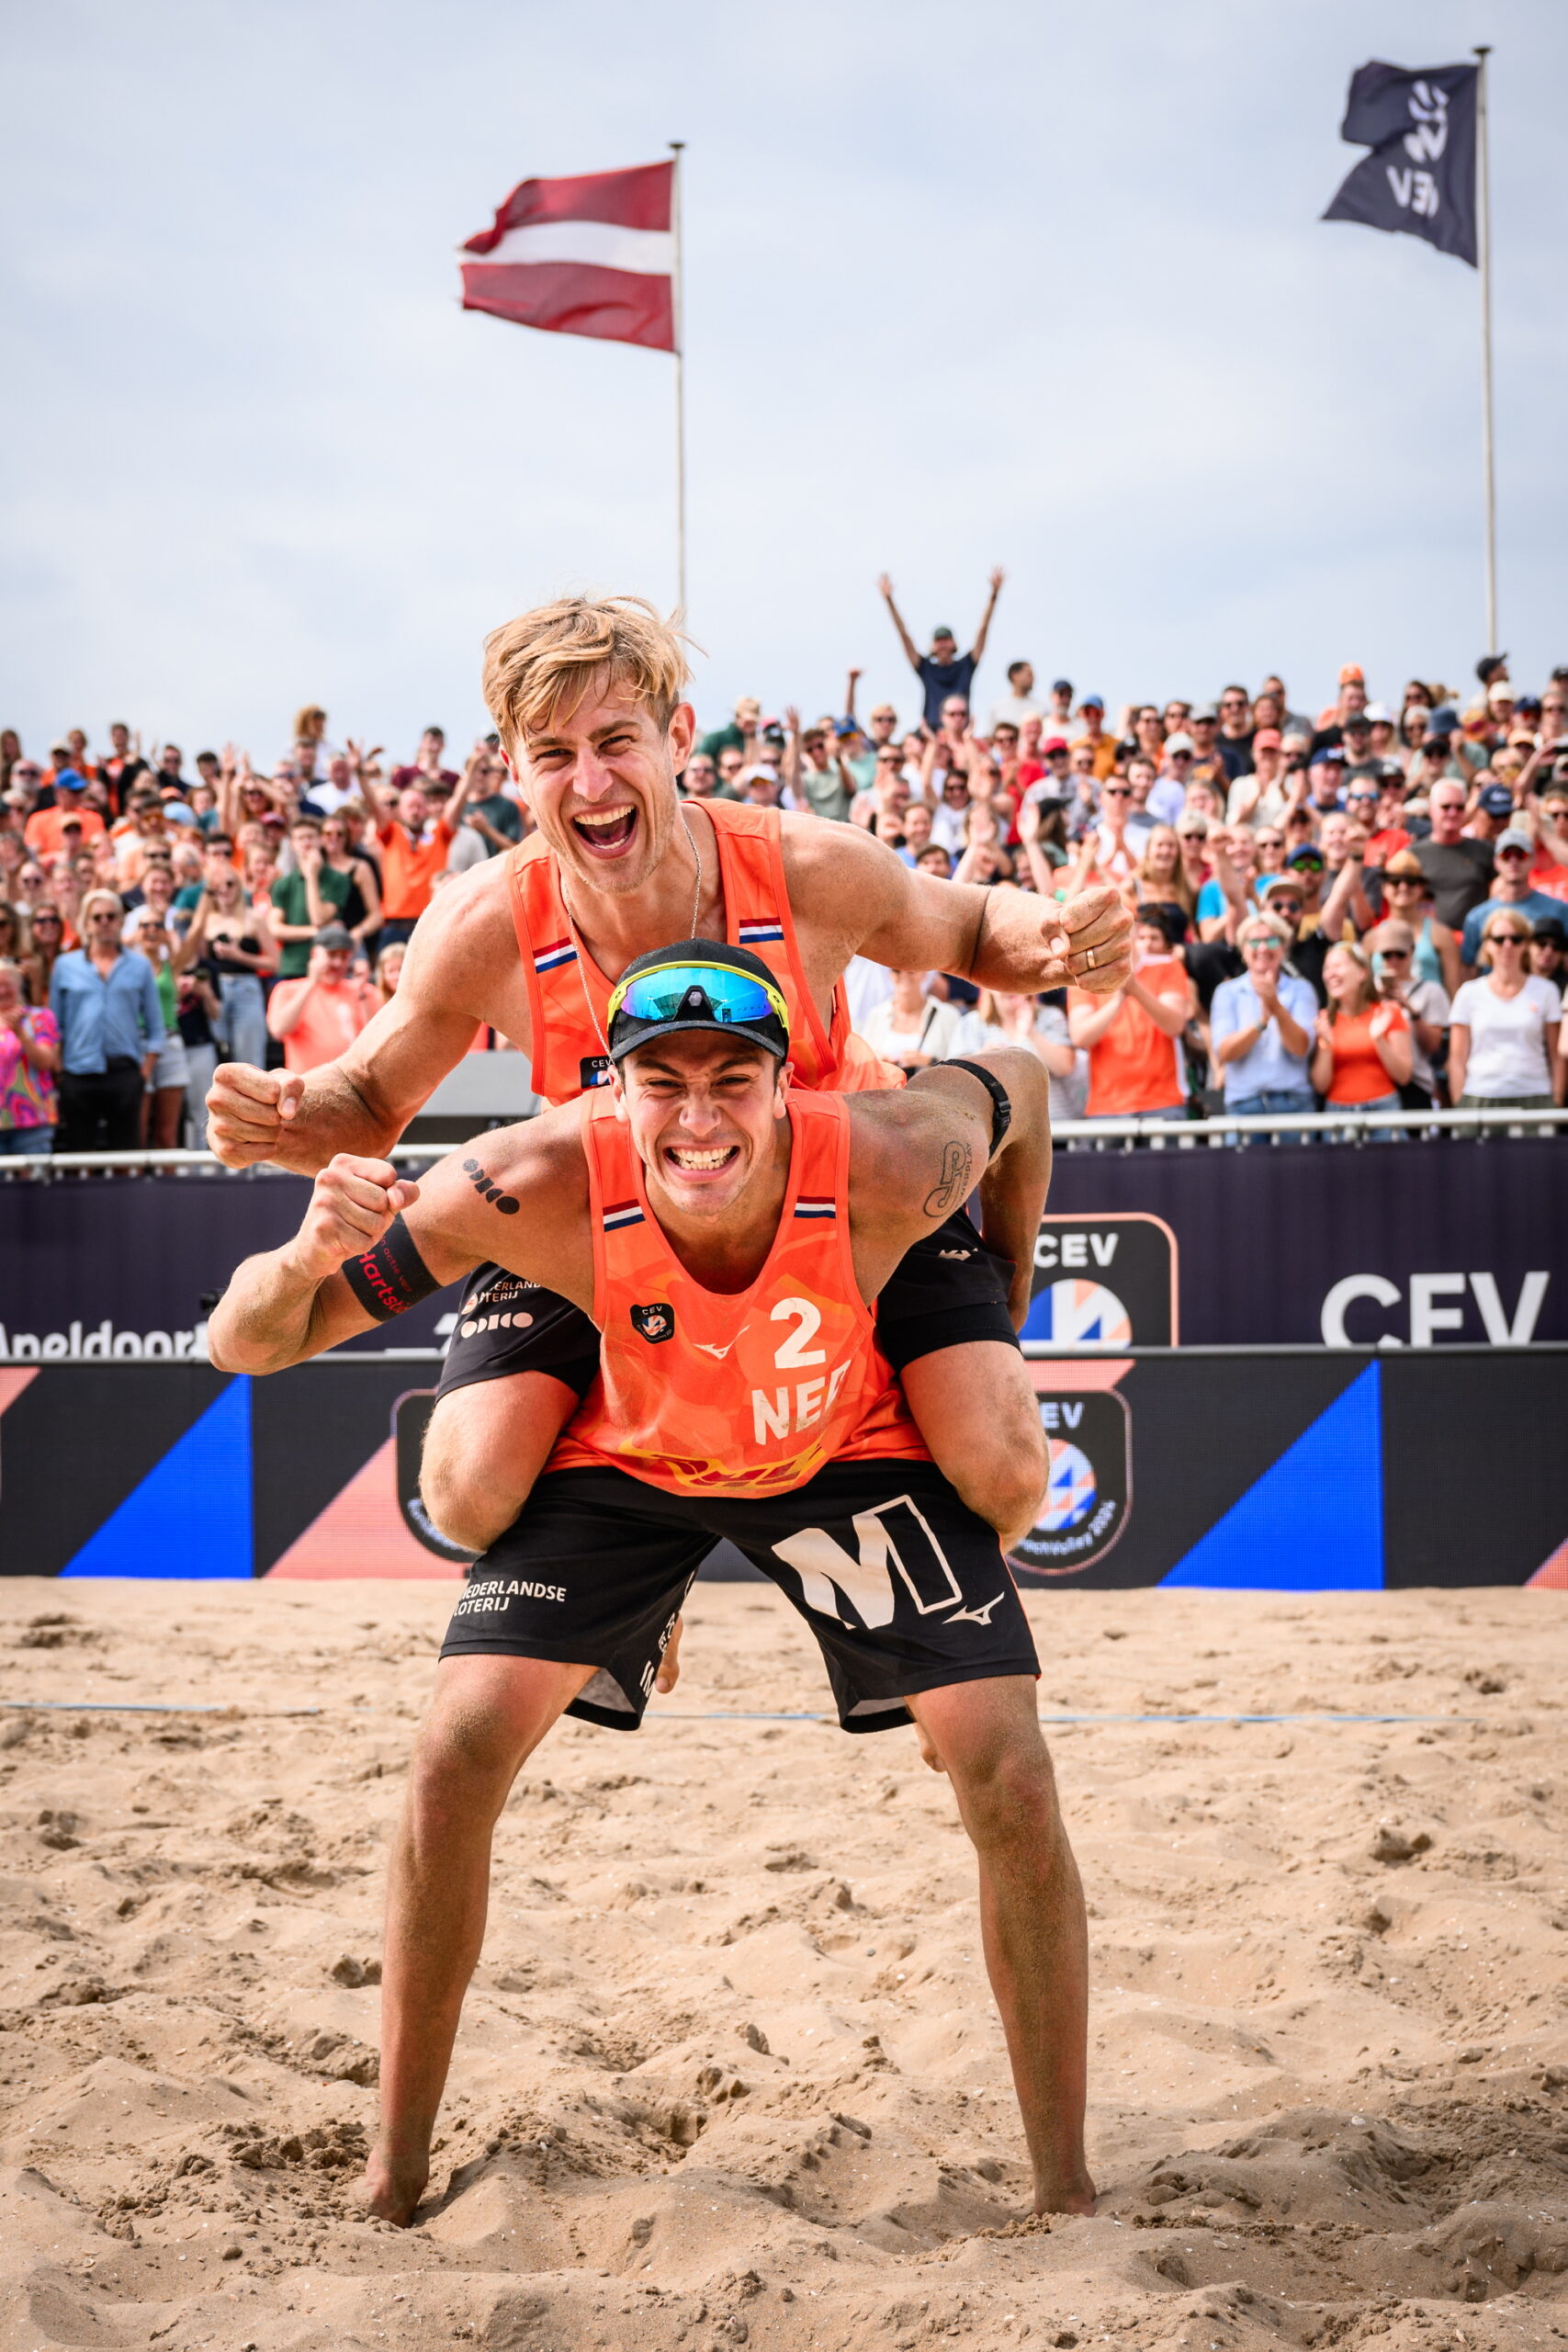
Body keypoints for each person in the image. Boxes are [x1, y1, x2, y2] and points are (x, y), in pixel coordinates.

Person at [209, 952, 1092, 2231]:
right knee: (455, 1745)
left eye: (731, 1079)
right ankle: (392, 2172)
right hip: (623, 1452)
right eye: (661, 1083)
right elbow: (244, 1342)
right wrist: (301, 1258)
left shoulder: (900, 1157)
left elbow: (1019, 1079)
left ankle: (1065, 2190)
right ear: (610, 1094)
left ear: (788, 1089)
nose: (697, 1115)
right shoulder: (522, 1180)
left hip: (844, 1437)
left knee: (1007, 1763)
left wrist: (1004, 1290)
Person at [208, 592, 1132, 1559]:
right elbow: (366, 1101)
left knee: (1006, 1473)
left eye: (616, 741)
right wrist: (280, 1120)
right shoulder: (482, 926)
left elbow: (973, 928)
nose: (591, 782)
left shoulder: (807, 866)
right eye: (553, 754)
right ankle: (640, 1569)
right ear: (513, 770)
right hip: (614, 1209)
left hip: (845, 1193)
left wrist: (1059, 936)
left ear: (678, 737)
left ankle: (916, 1579)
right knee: (468, 1493)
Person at [50, 887, 164, 1151]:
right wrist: (60, 1070)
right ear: (86, 923)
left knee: (126, 1153)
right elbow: (55, 1025)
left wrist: (144, 1072)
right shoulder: (65, 966)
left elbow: (156, 1025)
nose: (104, 922)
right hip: (78, 1071)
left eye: (111, 916)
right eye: (97, 917)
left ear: (121, 921)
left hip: (125, 1071)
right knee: (80, 1155)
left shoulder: (139, 965)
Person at [1068, 909, 1194, 1121]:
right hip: (1107, 1104)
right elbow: (1080, 1036)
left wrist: (1135, 988)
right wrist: (1118, 1000)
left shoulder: (1167, 966)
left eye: (1122, 924)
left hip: (1163, 1100)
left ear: (1136, 929)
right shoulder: (1084, 977)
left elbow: (1174, 1025)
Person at [1448, 910, 1563, 1110]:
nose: (1507, 945)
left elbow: (1556, 1055)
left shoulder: (1546, 990)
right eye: (1499, 939)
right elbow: (1457, 1059)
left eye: (1516, 939)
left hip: (1535, 1094)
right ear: (1487, 944)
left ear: (1525, 944)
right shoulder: (1468, 993)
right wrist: (1460, 1104)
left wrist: (1557, 1100)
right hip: (1479, 1094)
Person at [1209, 913, 1316, 1117]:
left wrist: (1276, 1007)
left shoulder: (1302, 989)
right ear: (1243, 950)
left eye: (1272, 941)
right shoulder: (1226, 992)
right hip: (1243, 1103)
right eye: (1254, 941)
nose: (1263, 948)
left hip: (1294, 1103)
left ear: (1283, 947)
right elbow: (1225, 1053)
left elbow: (1301, 1048)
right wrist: (1261, 1022)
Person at [878, 570, 1003, 729]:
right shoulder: (926, 668)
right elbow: (904, 635)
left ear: (953, 644)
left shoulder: (966, 665)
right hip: (932, 731)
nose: (943, 644)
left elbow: (983, 629)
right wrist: (889, 600)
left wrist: (994, 595)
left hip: (960, 731)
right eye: (938, 641)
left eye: (946, 640)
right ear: (933, 646)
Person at [372, 759, 479, 943]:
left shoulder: (440, 835)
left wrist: (472, 769)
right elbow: (374, 806)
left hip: (430, 922)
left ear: (427, 810)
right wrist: (359, 773)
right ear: (400, 811)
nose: (415, 812)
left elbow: (458, 801)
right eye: (410, 807)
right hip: (394, 925)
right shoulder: (391, 834)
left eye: (419, 807)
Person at [1311, 944, 1412, 1122]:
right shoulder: (1325, 1020)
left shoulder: (1388, 1012)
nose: (1330, 974)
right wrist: (1326, 1044)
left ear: (1362, 973)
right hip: (1338, 1113)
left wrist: (1379, 1039)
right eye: (1326, 968)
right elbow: (1320, 1085)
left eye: (1337, 966)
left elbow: (1403, 1076)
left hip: (1383, 1111)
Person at [951, 988, 1082, 1123]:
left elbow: (1065, 1067)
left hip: (1053, 1122)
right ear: (988, 987)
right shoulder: (971, 1023)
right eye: (1002, 981)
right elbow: (956, 1078)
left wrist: (1032, 1032)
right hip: (995, 1125)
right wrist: (983, 1057)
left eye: (1016, 981)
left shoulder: (1050, 1016)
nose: (1010, 988)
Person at [266, 926, 380, 1074]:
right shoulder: (287, 990)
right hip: (306, 1082)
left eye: (344, 957)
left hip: (352, 1081)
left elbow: (376, 1041)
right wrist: (311, 983)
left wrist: (361, 994)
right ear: (315, 954)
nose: (338, 963)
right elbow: (279, 1030)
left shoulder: (364, 991)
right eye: (332, 955)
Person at [1366, 919, 1449, 1108]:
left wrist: (1409, 1009)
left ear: (1412, 952)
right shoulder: (1367, 992)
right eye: (1387, 955)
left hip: (1415, 1085)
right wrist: (1376, 999)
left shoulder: (1431, 991)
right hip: (1375, 1085)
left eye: (1400, 954)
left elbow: (1433, 1046)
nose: (1394, 961)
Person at [1458, 829, 1563, 975]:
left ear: (1533, 860)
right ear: (1496, 862)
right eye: (1506, 855)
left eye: (1521, 855)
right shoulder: (1476, 917)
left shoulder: (1559, 910)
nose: (1513, 861)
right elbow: (1469, 968)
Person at [0, 957, 60, 1156]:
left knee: (34, 1175)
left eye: (7, 984)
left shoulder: (40, 1018)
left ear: (19, 985)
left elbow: (46, 1062)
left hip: (32, 1120)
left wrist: (21, 1034)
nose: (2, 991)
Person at [1416, 781, 1495, 929]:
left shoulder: (1485, 851)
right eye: (1446, 807)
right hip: (1431, 938)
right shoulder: (1414, 854)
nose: (1453, 813)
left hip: (1475, 936)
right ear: (1431, 810)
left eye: (1460, 807)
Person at [854, 968, 962, 1070]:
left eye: (911, 971)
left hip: (931, 1083)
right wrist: (878, 1062)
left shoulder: (947, 1015)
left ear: (924, 973)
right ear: (890, 974)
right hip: (885, 1083)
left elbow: (959, 1068)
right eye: (896, 970)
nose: (904, 975)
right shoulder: (876, 1015)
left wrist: (929, 1061)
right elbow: (861, 1061)